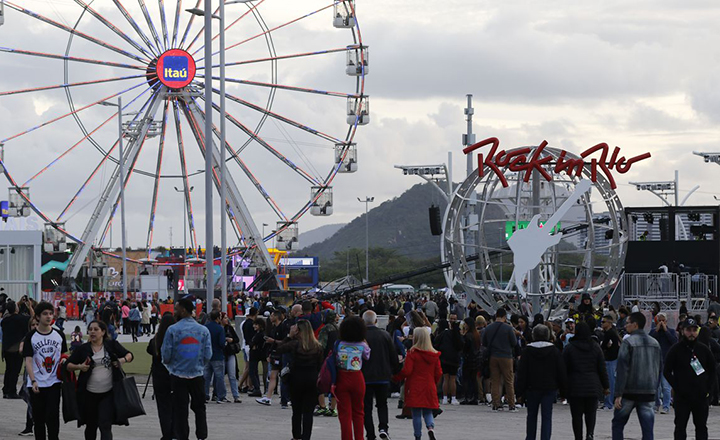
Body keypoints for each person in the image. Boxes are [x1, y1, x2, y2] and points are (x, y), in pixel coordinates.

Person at [66, 320, 134, 440]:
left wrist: (122, 360)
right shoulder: (83, 349)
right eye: (90, 329)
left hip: (108, 393)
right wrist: (79, 367)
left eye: (96, 329)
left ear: (103, 332)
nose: (92, 332)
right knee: (91, 425)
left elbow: (129, 355)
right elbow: (68, 365)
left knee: (105, 424)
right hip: (89, 394)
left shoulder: (111, 345)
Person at [161, 298, 212, 440]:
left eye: (176, 309)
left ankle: (183, 436)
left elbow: (166, 354)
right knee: (200, 408)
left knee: (180, 410)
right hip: (197, 373)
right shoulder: (203, 330)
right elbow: (208, 354)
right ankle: (201, 435)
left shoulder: (173, 330)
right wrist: (199, 364)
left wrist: (171, 365)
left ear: (183, 310)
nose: (175, 311)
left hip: (178, 374)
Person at [663, 317, 716, 440]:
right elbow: (666, 371)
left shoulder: (704, 349)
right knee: (680, 427)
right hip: (682, 398)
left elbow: (712, 370)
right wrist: (676, 387)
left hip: (700, 397)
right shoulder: (675, 350)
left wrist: (708, 389)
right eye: (688, 330)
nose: (691, 333)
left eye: (694, 330)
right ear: (682, 331)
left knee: (701, 427)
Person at [612, 312, 661, 440]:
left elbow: (622, 369)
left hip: (629, 391)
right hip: (648, 391)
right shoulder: (655, 343)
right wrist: (655, 389)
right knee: (647, 429)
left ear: (635, 325)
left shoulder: (628, 342)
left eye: (627, 323)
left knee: (618, 424)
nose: (626, 326)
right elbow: (658, 368)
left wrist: (618, 394)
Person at [22, 301, 67, 440]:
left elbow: (64, 354)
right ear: (38, 316)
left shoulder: (59, 335)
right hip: (36, 383)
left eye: (50, 313)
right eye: (45, 314)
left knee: (52, 415)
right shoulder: (31, 336)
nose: (48, 316)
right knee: (39, 418)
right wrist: (33, 380)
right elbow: (28, 360)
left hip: (54, 381)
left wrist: (65, 360)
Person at [276, 319, 324, 440]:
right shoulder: (317, 346)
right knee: (308, 412)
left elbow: (279, 349)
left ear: (298, 331)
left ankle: (296, 436)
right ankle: (306, 436)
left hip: (296, 378)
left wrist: (289, 336)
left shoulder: (295, 344)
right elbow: (320, 365)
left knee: (296, 411)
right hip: (312, 378)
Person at [517, 324, 566, 440]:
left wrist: (519, 392)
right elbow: (561, 371)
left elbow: (522, 372)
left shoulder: (527, 351)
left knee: (531, 416)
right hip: (549, 388)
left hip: (531, 387)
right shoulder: (554, 351)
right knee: (547, 416)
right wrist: (563, 391)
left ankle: (530, 437)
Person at [392, 327, 441, 440]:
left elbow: (407, 371)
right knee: (428, 411)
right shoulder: (434, 354)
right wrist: (434, 382)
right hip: (429, 385)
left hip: (415, 386)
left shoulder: (412, 353)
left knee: (416, 414)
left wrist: (396, 377)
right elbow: (438, 372)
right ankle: (430, 428)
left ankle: (418, 436)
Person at [563, 321, 609, 440]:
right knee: (591, 413)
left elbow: (564, 369)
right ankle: (590, 434)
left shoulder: (569, 348)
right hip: (592, 385)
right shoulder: (595, 347)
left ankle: (578, 437)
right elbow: (602, 368)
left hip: (575, 386)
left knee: (576, 416)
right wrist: (606, 386)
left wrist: (563, 388)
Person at [361, 310, 400, 440]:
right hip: (383, 376)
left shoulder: (361, 336)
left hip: (365, 377)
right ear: (376, 321)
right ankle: (383, 428)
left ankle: (370, 433)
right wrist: (394, 371)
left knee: (366, 407)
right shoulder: (385, 335)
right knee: (382, 404)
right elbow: (393, 355)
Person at [335, 315, 371, 440]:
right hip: (357, 377)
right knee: (359, 412)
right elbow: (367, 356)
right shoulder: (362, 345)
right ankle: (359, 437)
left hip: (342, 377)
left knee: (344, 414)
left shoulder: (339, 344)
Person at [481, 308, 518, 411]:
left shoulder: (488, 328)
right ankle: (511, 404)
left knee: (495, 381)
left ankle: (496, 404)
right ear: (504, 317)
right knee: (509, 381)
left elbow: (484, 343)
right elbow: (514, 343)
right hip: (506, 356)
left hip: (493, 356)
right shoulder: (508, 328)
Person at [147, 313, 175, 440]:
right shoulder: (175, 338)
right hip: (174, 376)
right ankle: (175, 431)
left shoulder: (156, 340)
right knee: (176, 405)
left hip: (159, 377)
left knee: (163, 407)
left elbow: (149, 350)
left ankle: (166, 433)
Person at [649, 312, 678, 414]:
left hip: (666, 362)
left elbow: (674, 342)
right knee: (655, 387)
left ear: (666, 321)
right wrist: (657, 330)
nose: (661, 323)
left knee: (666, 387)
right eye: (659, 320)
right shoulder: (653, 331)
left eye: (663, 321)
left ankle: (666, 406)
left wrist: (666, 331)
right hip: (655, 362)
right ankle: (656, 405)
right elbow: (649, 341)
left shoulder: (671, 331)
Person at [2, 300, 30, 399]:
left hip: (6, 348)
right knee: (15, 370)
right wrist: (29, 306)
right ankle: (12, 391)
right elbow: (32, 318)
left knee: (8, 369)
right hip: (16, 348)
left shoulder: (5, 320)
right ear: (15, 309)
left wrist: (16, 304)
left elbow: (10, 312)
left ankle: (6, 390)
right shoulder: (21, 319)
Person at [433, 319, 462, 405]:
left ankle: (445, 397)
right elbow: (461, 346)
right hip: (454, 359)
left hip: (444, 358)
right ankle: (453, 398)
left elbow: (436, 343)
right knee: (452, 378)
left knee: (445, 378)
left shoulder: (444, 333)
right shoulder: (457, 335)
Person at [18, 315, 39, 436]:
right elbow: (21, 349)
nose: (35, 327)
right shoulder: (28, 338)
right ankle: (29, 426)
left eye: (37, 324)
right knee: (31, 398)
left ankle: (38, 424)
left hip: (44, 373)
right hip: (31, 372)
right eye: (33, 325)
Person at [203, 310, 227, 403]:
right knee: (219, 377)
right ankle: (221, 395)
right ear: (218, 318)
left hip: (207, 355)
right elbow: (221, 343)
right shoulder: (220, 328)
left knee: (206, 377)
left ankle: (205, 394)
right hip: (217, 355)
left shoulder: (205, 327)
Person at [600, 314, 621, 410]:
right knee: (611, 381)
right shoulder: (611, 333)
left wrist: (604, 348)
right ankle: (608, 402)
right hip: (612, 359)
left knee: (610, 382)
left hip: (610, 359)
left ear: (609, 323)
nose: (602, 323)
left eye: (603, 322)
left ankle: (609, 403)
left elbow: (605, 346)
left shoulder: (610, 333)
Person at [221, 312, 242, 403]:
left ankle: (236, 395)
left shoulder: (229, 328)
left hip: (230, 353)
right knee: (220, 376)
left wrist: (231, 340)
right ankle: (223, 395)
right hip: (221, 354)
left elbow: (237, 339)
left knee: (232, 375)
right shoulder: (219, 329)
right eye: (224, 318)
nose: (227, 319)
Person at [460, 317, 481, 405]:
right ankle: (475, 397)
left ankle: (466, 396)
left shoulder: (467, 336)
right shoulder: (476, 335)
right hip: (475, 359)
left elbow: (464, 348)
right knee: (473, 379)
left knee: (466, 379)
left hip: (468, 359)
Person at [247, 317, 267, 398]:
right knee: (254, 371)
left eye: (256, 325)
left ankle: (257, 388)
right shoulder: (259, 334)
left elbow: (253, 343)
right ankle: (257, 387)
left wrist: (252, 344)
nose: (254, 326)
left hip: (255, 355)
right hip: (256, 354)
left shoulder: (260, 335)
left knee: (252, 371)